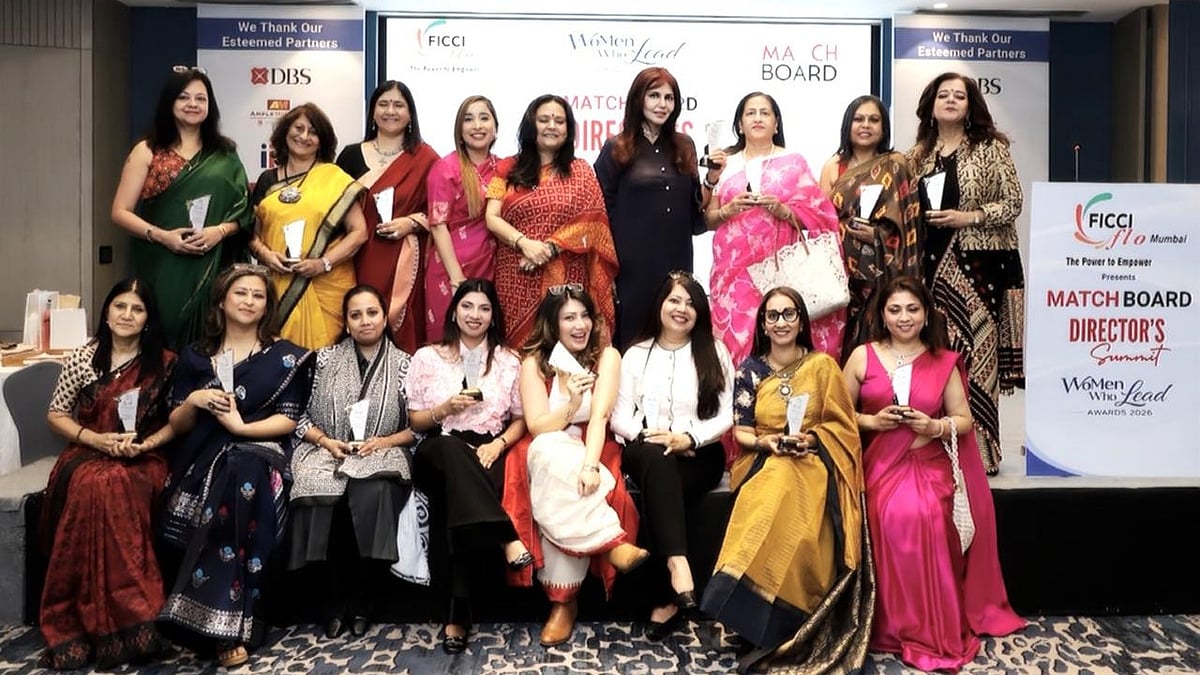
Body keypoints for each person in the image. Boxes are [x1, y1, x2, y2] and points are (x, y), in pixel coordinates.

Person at [843, 276, 1024, 671]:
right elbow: (837, 414)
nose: (904, 317)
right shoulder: (862, 357)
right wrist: (873, 422)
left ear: (926, 314)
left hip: (928, 463)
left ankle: (927, 625)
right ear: (882, 315)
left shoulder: (943, 361)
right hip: (878, 464)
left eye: (912, 309)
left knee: (923, 512)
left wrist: (933, 426)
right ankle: (889, 624)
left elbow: (964, 420)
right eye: (895, 309)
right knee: (887, 513)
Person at [700, 287, 872, 673]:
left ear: (801, 321)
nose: (781, 322)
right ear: (763, 324)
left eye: (789, 314)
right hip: (765, 458)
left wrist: (810, 440)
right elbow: (742, 432)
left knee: (804, 517)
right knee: (770, 496)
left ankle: (789, 620)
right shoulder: (749, 371)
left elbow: (842, 426)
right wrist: (769, 442)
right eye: (773, 315)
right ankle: (746, 611)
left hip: (815, 459)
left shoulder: (822, 366)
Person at [159, 264, 311, 668]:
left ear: (267, 307)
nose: (249, 301)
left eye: (258, 296)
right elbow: (177, 424)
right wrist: (194, 401)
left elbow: (288, 419)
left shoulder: (284, 357)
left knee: (244, 467)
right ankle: (234, 619)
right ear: (222, 301)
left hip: (262, 447)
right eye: (241, 293)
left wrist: (242, 429)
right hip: (203, 452)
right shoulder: (195, 357)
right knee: (234, 470)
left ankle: (220, 624)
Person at [38, 279, 177, 670]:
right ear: (106, 311)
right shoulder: (83, 357)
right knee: (95, 482)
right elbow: (56, 414)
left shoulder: (165, 363)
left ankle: (134, 617)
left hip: (145, 455)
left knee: (113, 482)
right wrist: (96, 440)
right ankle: (86, 617)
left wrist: (143, 445)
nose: (127, 315)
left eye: (137, 309)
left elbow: (177, 422)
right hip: (87, 450)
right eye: (120, 306)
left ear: (148, 319)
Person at [501, 286, 647, 647]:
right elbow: (538, 426)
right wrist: (571, 403)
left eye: (585, 316)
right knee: (549, 452)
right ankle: (609, 543)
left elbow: (600, 418)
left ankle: (563, 602)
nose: (580, 325)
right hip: (543, 444)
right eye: (569, 318)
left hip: (592, 445)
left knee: (570, 481)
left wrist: (590, 467)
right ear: (553, 324)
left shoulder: (607, 356)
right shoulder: (534, 363)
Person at [288, 285, 423, 640]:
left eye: (372, 313)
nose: (365, 321)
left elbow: (419, 428)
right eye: (356, 315)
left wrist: (384, 442)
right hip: (326, 448)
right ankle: (332, 600)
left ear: (385, 318)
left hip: (383, 450)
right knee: (316, 490)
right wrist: (324, 441)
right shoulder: (322, 360)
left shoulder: (406, 364)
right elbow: (298, 417)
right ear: (346, 322)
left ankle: (364, 599)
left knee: (374, 490)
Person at [906, 72, 1025, 474]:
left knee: (980, 353)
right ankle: (939, 450)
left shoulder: (991, 148)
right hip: (929, 268)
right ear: (931, 105)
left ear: (971, 105)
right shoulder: (917, 156)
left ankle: (983, 454)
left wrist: (968, 217)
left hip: (981, 266)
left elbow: (1012, 203)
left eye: (960, 95)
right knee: (938, 357)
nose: (952, 100)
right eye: (944, 94)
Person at [408, 279, 529, 653]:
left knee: (458, 499)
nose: (475, 315)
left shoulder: (509, 360)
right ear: (454, 312)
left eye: (484, 308)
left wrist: (499, 444)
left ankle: (457, 613)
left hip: (487, 449)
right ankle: (507, 536)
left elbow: (520, 420)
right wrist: (445, 408)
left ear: (493, 316)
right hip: (439, 446)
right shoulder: (428, 357)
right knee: (451, 452)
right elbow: (416, 421)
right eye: (467, 306)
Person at [610, 271, 733, 639]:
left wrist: (689, 438)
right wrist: (651, 437)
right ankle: (679, 565)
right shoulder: (636, 354)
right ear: (660, 305)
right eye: (674, 300)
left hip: (699, 454)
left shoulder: (715, 351)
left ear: (700, 312)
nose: (682, 309)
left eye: (690, 303)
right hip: (646, 449)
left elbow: (727, 413)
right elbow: (619, 417)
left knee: (662, 489)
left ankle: (664, 598)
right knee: (657, 461)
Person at [111, 68, 250, 347]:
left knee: (212, 340)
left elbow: (244, 211)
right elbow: (120, 212)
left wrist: (219, 232)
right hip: (164, 265)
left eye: (201, 98)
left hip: (214, 265)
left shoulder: (225, 154)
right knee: (163, 338)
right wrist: (164, 237)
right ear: (170, 102)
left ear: (210, 106)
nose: (193, 104)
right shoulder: (148, 150)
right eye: (184, 97)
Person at [703, 92, 843, 366]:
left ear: (776, 124)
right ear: (739, 124)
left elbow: (822, 215)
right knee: (735, 344)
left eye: (765, 113)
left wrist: (784, 211)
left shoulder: (794, 162)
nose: (757, 118)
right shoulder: (725, 163)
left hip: (780, 271)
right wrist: (729, 210)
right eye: (750, 113)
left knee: (782, 338)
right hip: (733, 275)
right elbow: (709, 219)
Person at [485, 94, 618, 348]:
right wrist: (524, 244)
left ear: (568, 129)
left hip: (569, 278)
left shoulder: (581, 171)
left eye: (559, 121)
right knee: (517, 351)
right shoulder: (508, 167)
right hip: (516, 276)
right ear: (531, 125)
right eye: (544, 120)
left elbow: (594, 223)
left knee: (565, 349)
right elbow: (492, 217)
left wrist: (549, 248)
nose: (552, 126)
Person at [594, 68, 709, 349]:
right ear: (639, 99)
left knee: (676, 338)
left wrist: (712, 180)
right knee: (633, 342)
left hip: (677, 261)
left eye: (669, 98)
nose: (662, 104)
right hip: (632, 267)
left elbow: (696, 217)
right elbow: (600, 212)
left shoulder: (685, 146)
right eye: (654, 96)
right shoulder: (617, 147)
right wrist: (607, 269)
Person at [248, 102, 369, 351]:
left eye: (313, 132)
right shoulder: (267, 180)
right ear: (285, 133)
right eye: (298, 128)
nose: (304, 136)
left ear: (322, 140)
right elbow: (252, 234)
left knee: (324, 357)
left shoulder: (335, 178)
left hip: (327, 284)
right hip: (278, 283)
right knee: (279, 355)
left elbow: (359, 233)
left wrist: (322, 263)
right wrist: (266, 256)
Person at [818, 95, 923, 360]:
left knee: (880, 345)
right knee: (844, 349)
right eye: (859, 119)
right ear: (848, 125)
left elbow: (910, 222)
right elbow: (822, 221)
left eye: (874, 120)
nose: (866, 125)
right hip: (842, 276)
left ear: (884, 128)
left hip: (882, 275)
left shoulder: (896, 163)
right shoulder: (834, 166)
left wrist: (877, 235)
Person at [337, 81, 439, 353]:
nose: (390, 111)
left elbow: (442, 212)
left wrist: (411, 223)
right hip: (356, 254)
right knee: (361, 315)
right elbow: (334, 208)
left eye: (398, 105)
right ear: (372, 112)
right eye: (383, 104)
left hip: (403, 257)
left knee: (402, 325)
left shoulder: (426, 158)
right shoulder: (350, 155)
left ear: (410, 114)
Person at [424, 96, 501, 343]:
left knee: (486, 342)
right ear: (459, 129)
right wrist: (456, 278)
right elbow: (438, 226)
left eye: (484, 118)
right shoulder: (445, 168)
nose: (477, 125)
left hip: (491, 267)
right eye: (468, 119)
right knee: (448, 344)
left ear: (495, 128)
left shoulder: (504, 168)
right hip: (450, 269)